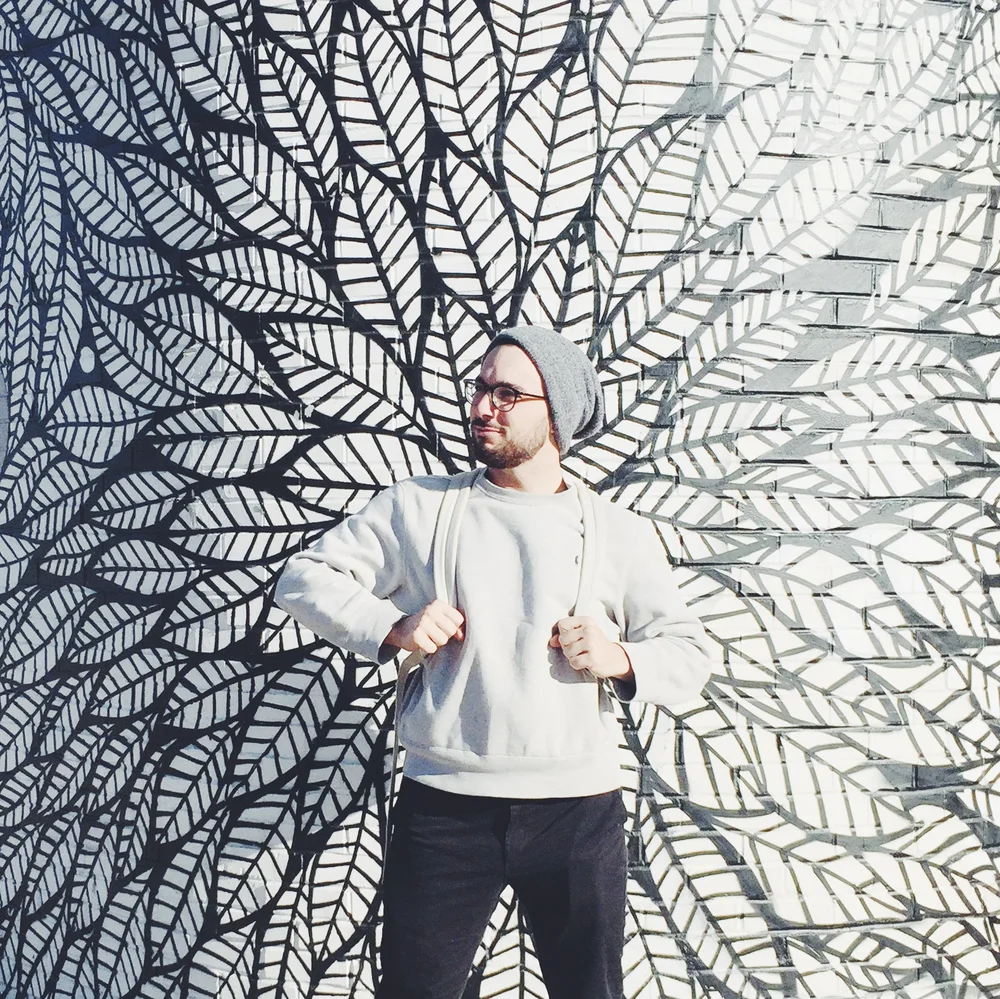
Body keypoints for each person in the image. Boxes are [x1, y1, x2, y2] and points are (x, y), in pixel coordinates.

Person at [274, 325, 715, 999]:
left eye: (508, 393)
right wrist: (392, 626)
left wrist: (619, 657)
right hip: (444, 808)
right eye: (480, 388)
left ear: (555, 413)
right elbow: (303, 577)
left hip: (577, 812)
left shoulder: (617, 531)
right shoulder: (420, 507)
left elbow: (691, 651)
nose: (483, 406)